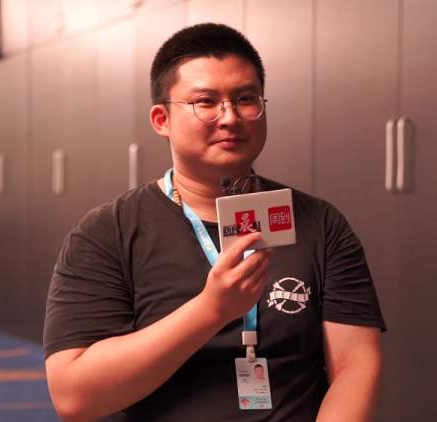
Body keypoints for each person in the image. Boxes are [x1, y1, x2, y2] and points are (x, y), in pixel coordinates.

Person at [43, 23, 386, 421]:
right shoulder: (107, 233)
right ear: (161, 119)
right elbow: (75, 397)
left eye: (246, 99)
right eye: (205, 102)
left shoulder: (319, 223)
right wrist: (212, 310)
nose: (230, 117)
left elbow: (355, 365)